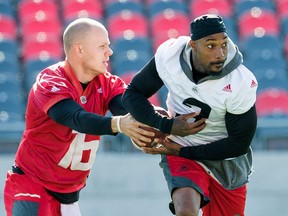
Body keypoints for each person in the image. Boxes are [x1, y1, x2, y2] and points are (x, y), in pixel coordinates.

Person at [3, 18, 159, 216]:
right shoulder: (50, 80)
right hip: (32, 185)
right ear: (79, 50)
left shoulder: (107, 82)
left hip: (69, 195)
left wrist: (157, 121)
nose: (109, 52)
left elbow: (127, 108)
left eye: (108, 46)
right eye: (102, 46)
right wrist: (120, 124)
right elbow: (75, 118)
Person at [122, 14, 258, 216]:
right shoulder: (170, 56)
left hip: (225, 158)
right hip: (181, 146)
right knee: (186, 211)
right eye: (210, 46)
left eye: (224, 44)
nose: (220, 53)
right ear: (193, 45)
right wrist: (166, 126)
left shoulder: (240, 80)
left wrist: (182, 152)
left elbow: (239, 143)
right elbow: (132, 94)